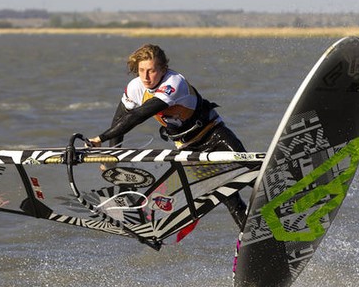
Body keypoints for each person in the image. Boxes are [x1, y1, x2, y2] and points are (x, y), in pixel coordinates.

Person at [87, 44, 248, 228]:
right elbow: (120, 121)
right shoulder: (135, 88)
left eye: (151, 71)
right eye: (141, 70)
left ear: (163, 69)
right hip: (187, 147)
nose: (146, 77)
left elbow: (139, 115)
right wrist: (111, 157)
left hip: (213, 134)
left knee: (248, 170)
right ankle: (253, 240)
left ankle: (282, 196)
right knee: (228, 197)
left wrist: (100, 138)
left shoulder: (174, 82)